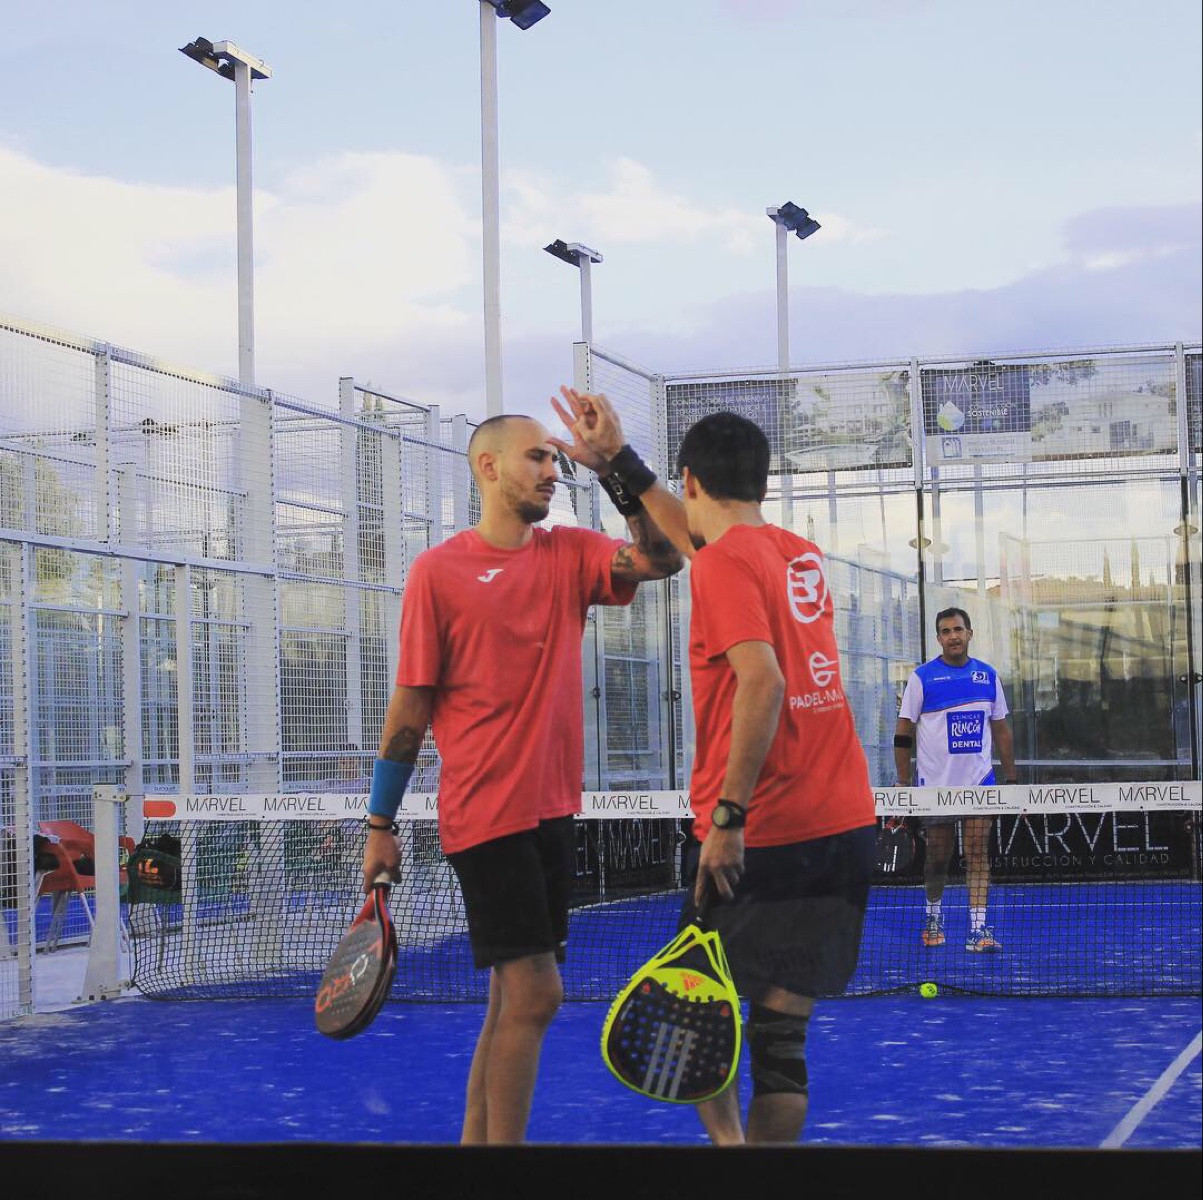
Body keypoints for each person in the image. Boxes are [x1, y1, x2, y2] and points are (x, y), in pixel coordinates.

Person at [361, 389, 682, 1145]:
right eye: (536, 457)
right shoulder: (437, 572)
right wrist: (379, 824)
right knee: (537, 995)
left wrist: (613, 467)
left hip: (551, 812)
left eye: (554, 460)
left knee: (512, 1001)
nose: (550, 470)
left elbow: (664, 557)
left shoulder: (571, 553)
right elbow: (409, 711)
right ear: (488, 466)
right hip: (484, 816)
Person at [564, 395, 877, 1147]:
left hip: (761, 833)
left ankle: (731, 1155)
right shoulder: (793, 552)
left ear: (693, 482)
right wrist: (617, 462)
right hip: (842, 828)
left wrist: (729, 818)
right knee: (780, 1050)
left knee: (691, 1016)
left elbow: (762, 683)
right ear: (761, 483)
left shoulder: (724, 567)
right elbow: (696, 533)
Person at [893, 607, 1017, 952]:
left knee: (977, 852)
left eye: (958, 630)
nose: (953, 636)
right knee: (937, 858)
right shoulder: (922, 679)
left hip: (979, 784)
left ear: (969, 633)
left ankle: (978, 929)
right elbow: (903, 732)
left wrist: (1012, 780)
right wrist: (903, 782)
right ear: (939, 638)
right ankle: (933, 915)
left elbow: (1001, 730)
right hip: (935, 788)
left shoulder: (988, 677)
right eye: (946, 631)